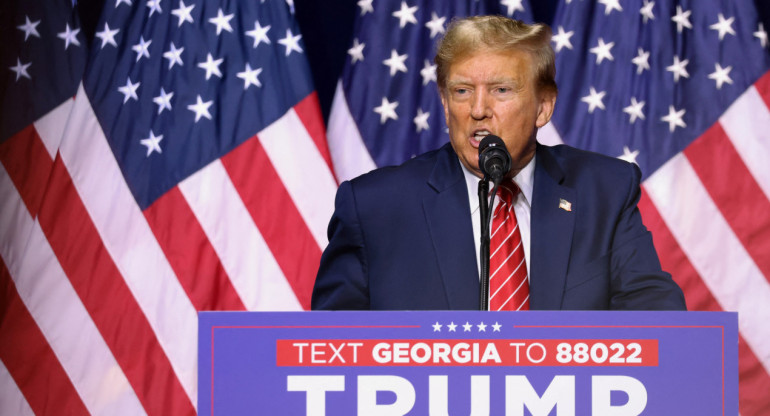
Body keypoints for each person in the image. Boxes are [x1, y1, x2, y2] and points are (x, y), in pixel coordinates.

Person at [312, 15, 686, 311]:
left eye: (501, 91)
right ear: (444, 104)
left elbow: (654, 314)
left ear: (544, 106)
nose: (477, 110)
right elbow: (332, 353)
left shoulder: (603, 190)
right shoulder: (374, 206)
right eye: (461, 92)